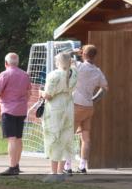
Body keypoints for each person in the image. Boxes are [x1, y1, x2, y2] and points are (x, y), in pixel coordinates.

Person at [68, 45, 107, 174]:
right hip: (88, 107)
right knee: (86, 138)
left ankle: (67, 166)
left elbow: (62, 57)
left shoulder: (79, 66)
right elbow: (105, 88)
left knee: (68, 136)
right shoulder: (97, 71)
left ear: (83, 54)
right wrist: (94, 99)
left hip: (76, 105)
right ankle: (82, 166)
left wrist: (74, 52)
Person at [0, 52, 31, 176]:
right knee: (19, 138)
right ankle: (17, 164)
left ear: (6, 63)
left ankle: (12, 166)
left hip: (8, 109)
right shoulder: (25, 75)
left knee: (12, 139)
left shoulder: (4, 74)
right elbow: (29, 92)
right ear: (18, 62)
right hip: (22, 109)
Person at [42, 52, 77, 178]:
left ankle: (54, 171)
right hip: (68, 106)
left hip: (55, 108)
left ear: (58, 62)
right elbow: (74, 66)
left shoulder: (54, 75)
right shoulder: (74, 73)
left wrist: (41, 93)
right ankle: (61, 171)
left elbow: (48, 95)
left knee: (54, 137)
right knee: (65, 138)